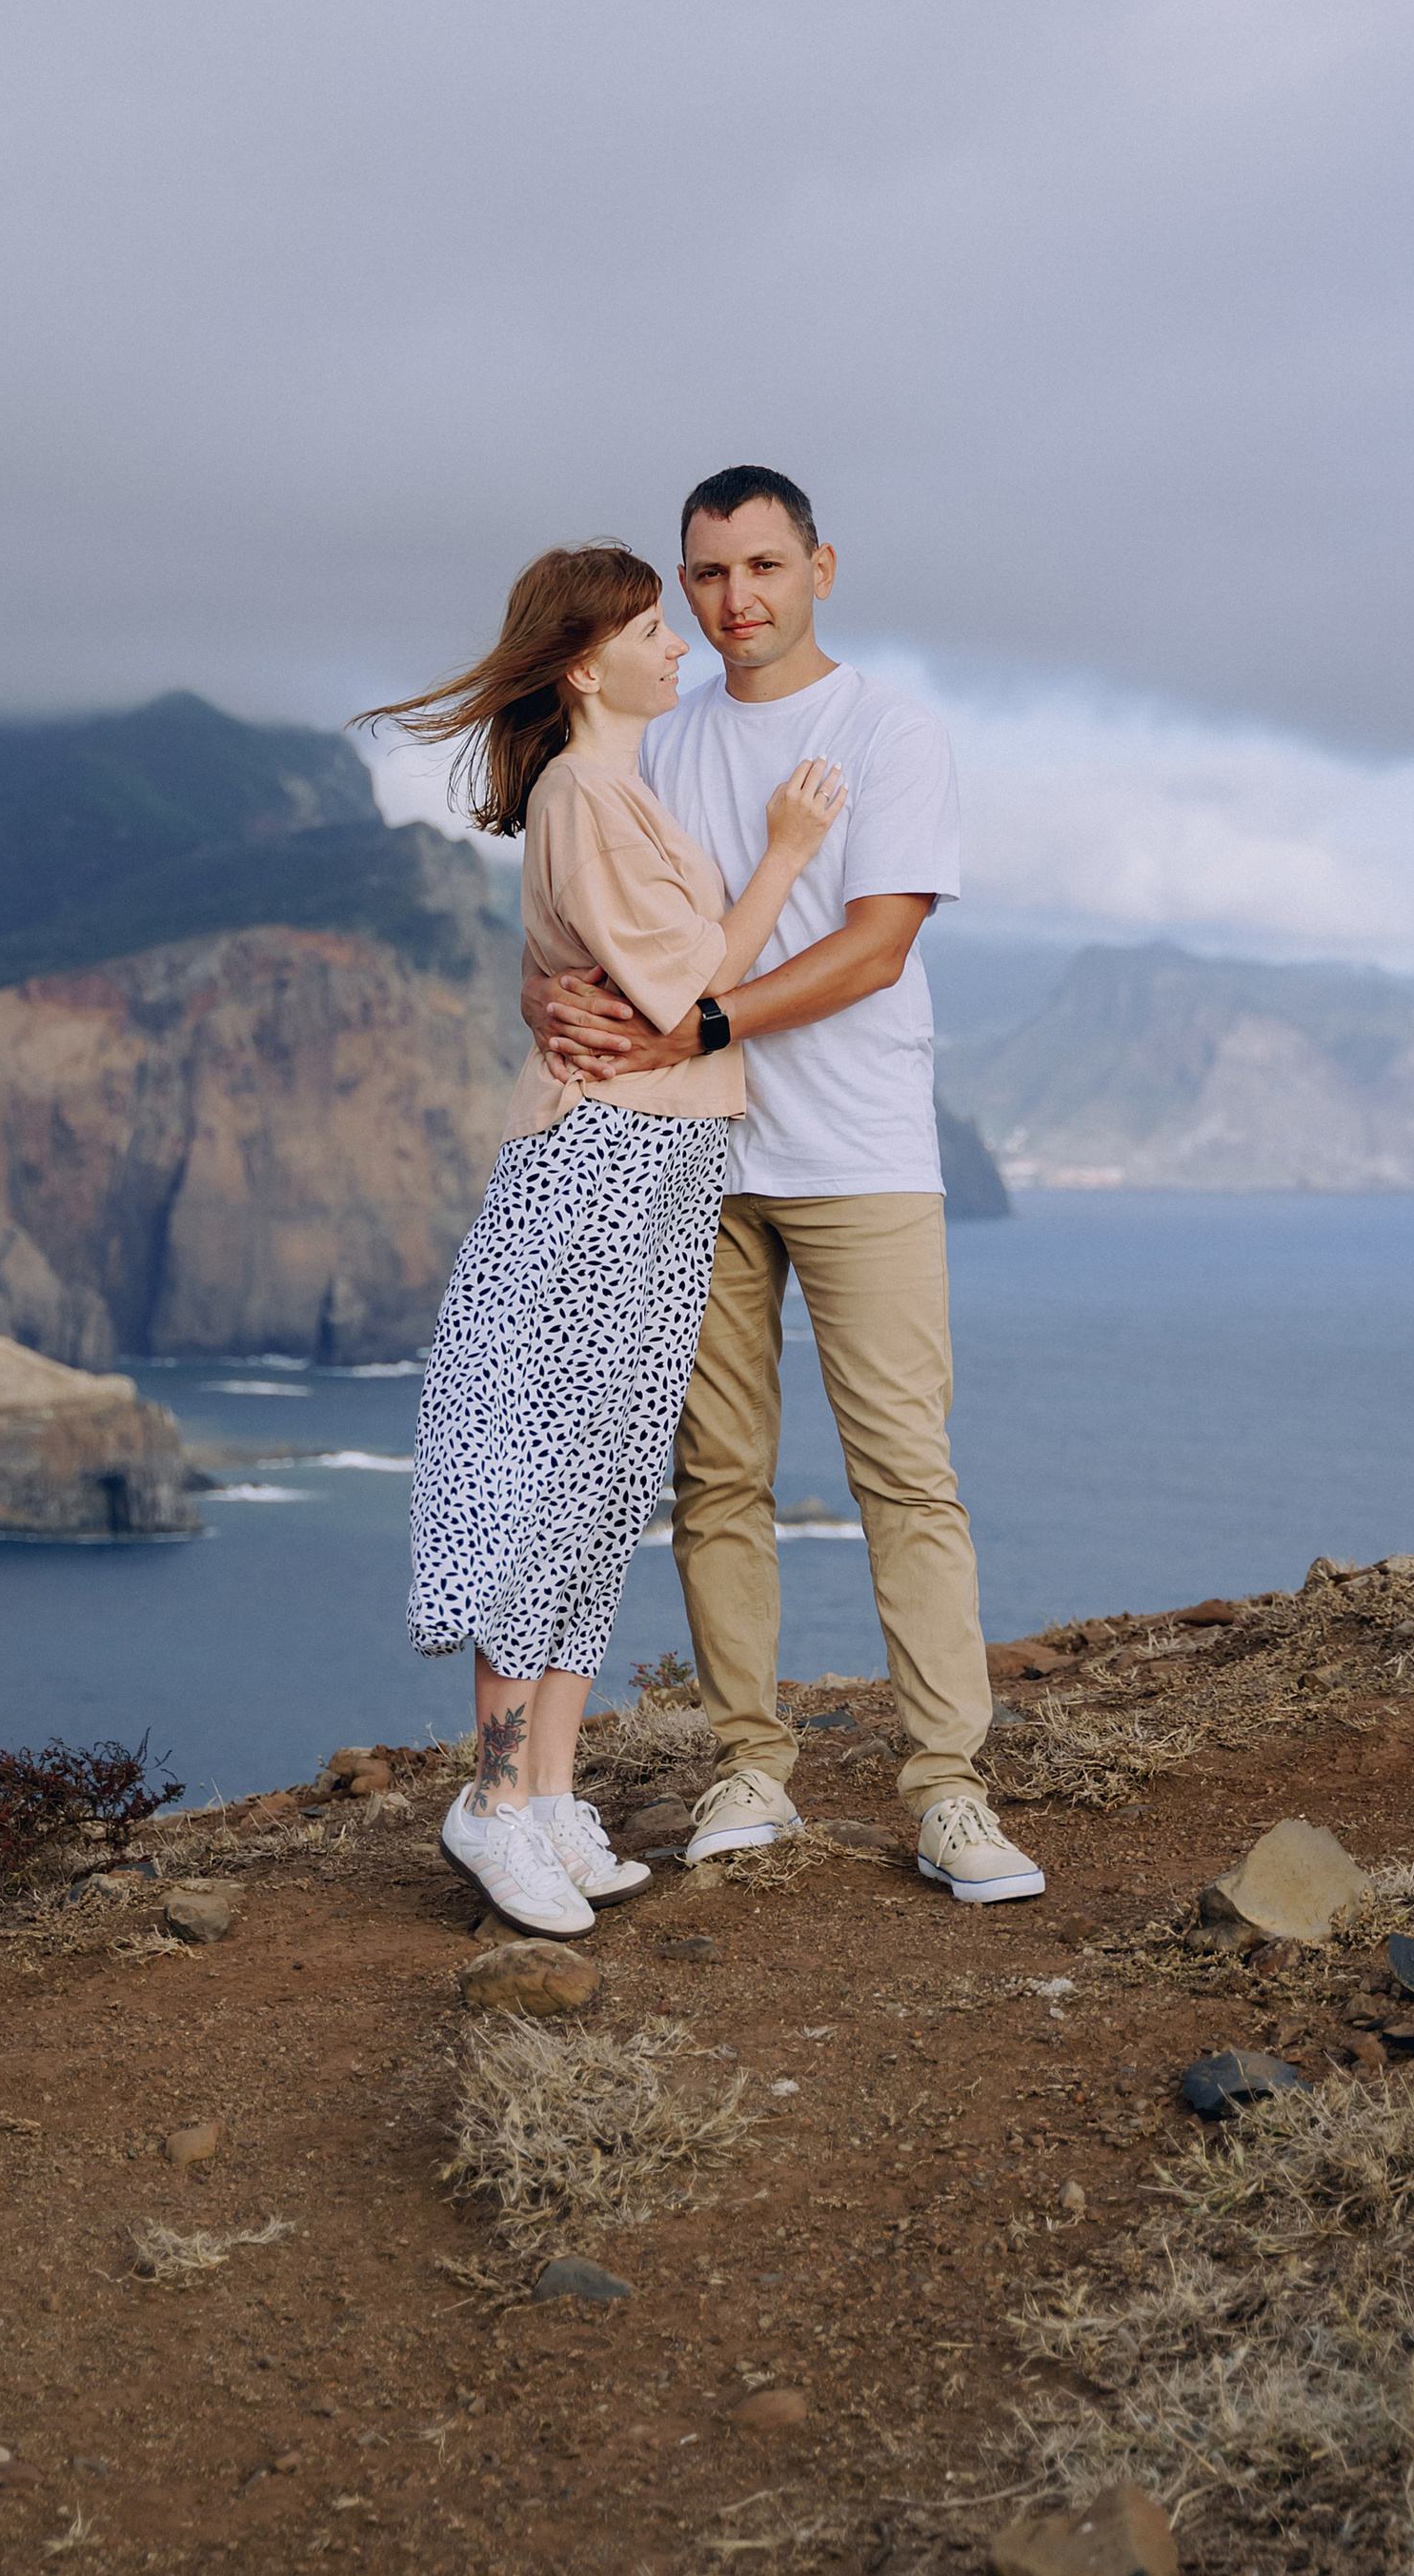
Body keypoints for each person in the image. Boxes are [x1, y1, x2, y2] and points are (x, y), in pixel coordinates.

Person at [528, 464, 1044, 1908]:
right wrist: (555, 1013)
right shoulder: (659, 740)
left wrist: (697, 1025)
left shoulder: (889, 730)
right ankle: (749, 1766)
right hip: (693, 1159)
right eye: (707, 575)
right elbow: (604, 925)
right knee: (715, 1484)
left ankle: (948, 1790)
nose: (735, 600)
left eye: (763, 566)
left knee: (905, 1476)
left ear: (824, 566)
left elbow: (876, 946)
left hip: (863, 1155)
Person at [360, 539, 846, 1937]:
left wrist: (554, 1003)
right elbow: (698, 981)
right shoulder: (586, 788)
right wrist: (790, 857)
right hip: (599, 1164)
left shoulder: (613, 793)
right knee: (541, 1476)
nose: (678, 643)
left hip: (660, 1158)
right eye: (651, 626)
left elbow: (571, 977)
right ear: (587, 662)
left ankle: (552, 1796)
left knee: (600, 1483)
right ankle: (499, 1804)